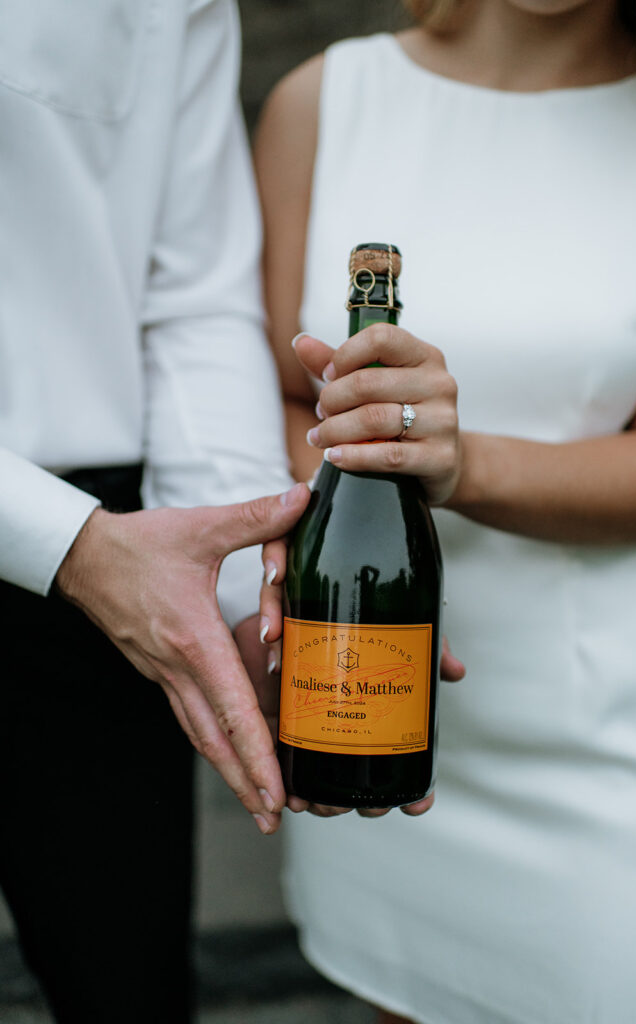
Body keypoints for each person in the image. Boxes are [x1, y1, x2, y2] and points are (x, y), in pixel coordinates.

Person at [254, 0, 636, 1020]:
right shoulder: (323, 100)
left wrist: (458, 462)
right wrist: (300, 582)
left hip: (595, 745)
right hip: (360, 703)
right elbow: (277, 389)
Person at [0, 2, 310, 1022]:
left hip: (121, 573)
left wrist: (237, 594)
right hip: (86, 547)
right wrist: (64, 541)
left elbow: (190, 293)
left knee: (129, 989)